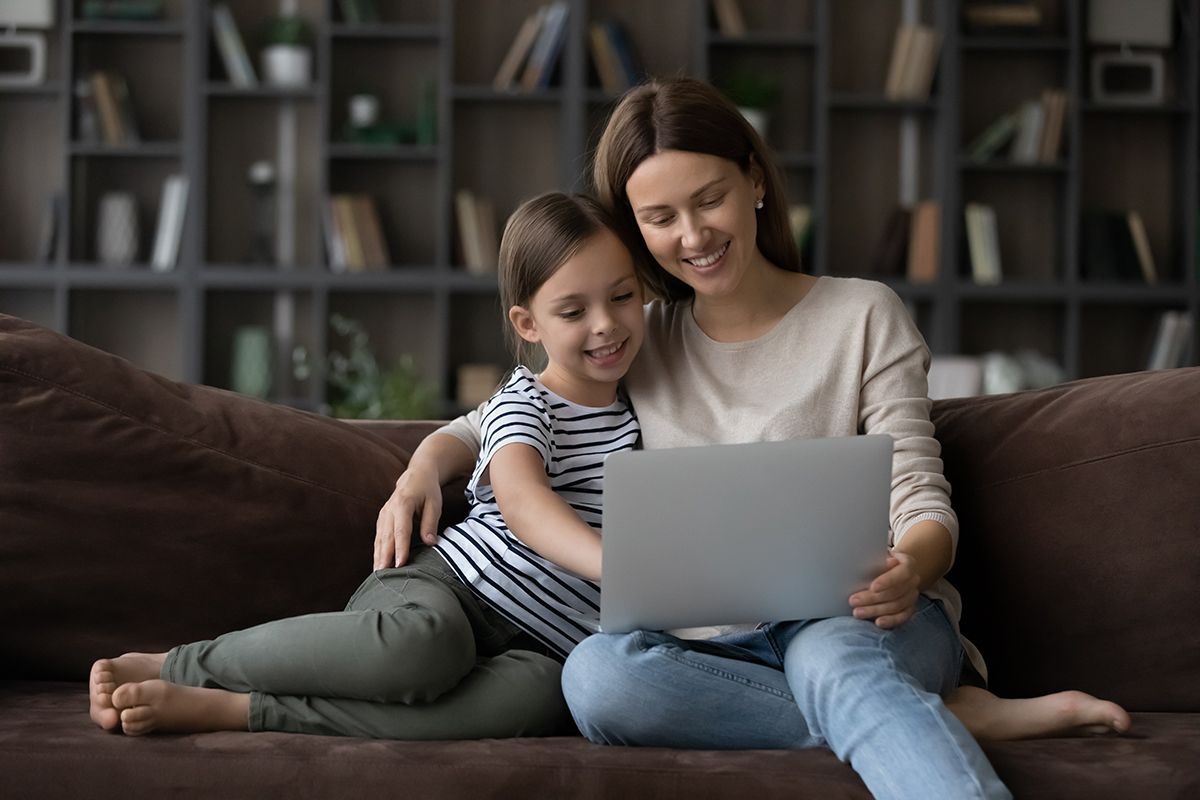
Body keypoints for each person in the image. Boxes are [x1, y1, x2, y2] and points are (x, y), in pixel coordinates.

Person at [375, 78, 1130, 799]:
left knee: (831, 657)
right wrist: (420, 469)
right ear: (634, 228)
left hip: (862, 618)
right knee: (595, 676)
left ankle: (885, 706)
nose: (693, 236)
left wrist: (912, 565)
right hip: (705, 647)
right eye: (660, 218)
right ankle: (935, 717)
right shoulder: (635, 332)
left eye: (710, 200)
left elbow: (919, 493)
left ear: (755, 182)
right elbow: (496, 419)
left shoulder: (863, 315)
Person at [88, 192, 642, 740]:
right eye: (573, 311)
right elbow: (522, 501)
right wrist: (619, 566)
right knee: (426, 647)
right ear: (529, 325)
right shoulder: (527, 402)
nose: (606, 325)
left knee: (539, 699)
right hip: (451, 590)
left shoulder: (640, 414)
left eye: (622, 297)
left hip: (545, 644)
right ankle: (182, 664)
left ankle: (239, 710)